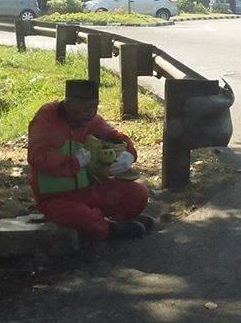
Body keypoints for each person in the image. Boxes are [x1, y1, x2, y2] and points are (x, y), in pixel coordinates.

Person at [28, 80, 152, 241]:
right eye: (83, 109)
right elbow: (37, 157)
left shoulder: (90, 119)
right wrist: (74, 162)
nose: (89, 113)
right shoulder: (47, 118)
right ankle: (110, 229)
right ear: (68, 104)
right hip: (56, 198)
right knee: (83, 218)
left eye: (94, 107)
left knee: (138, 194)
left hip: (91, 188)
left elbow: (116, 136)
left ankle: (119, 220)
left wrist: (128, 153)